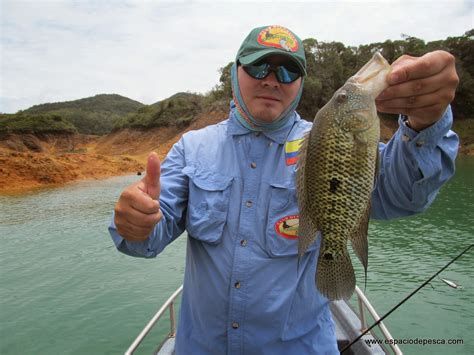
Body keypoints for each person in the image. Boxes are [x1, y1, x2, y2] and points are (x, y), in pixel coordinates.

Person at [109, 25, 459, 354]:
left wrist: (425, 120)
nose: (273, 80)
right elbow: (148, 235)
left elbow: (403, 194)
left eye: (288, 71)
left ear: (301, 83)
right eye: (260, 67)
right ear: (235, 73)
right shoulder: (191, 148)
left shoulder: (327, 138)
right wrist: (136, 223)